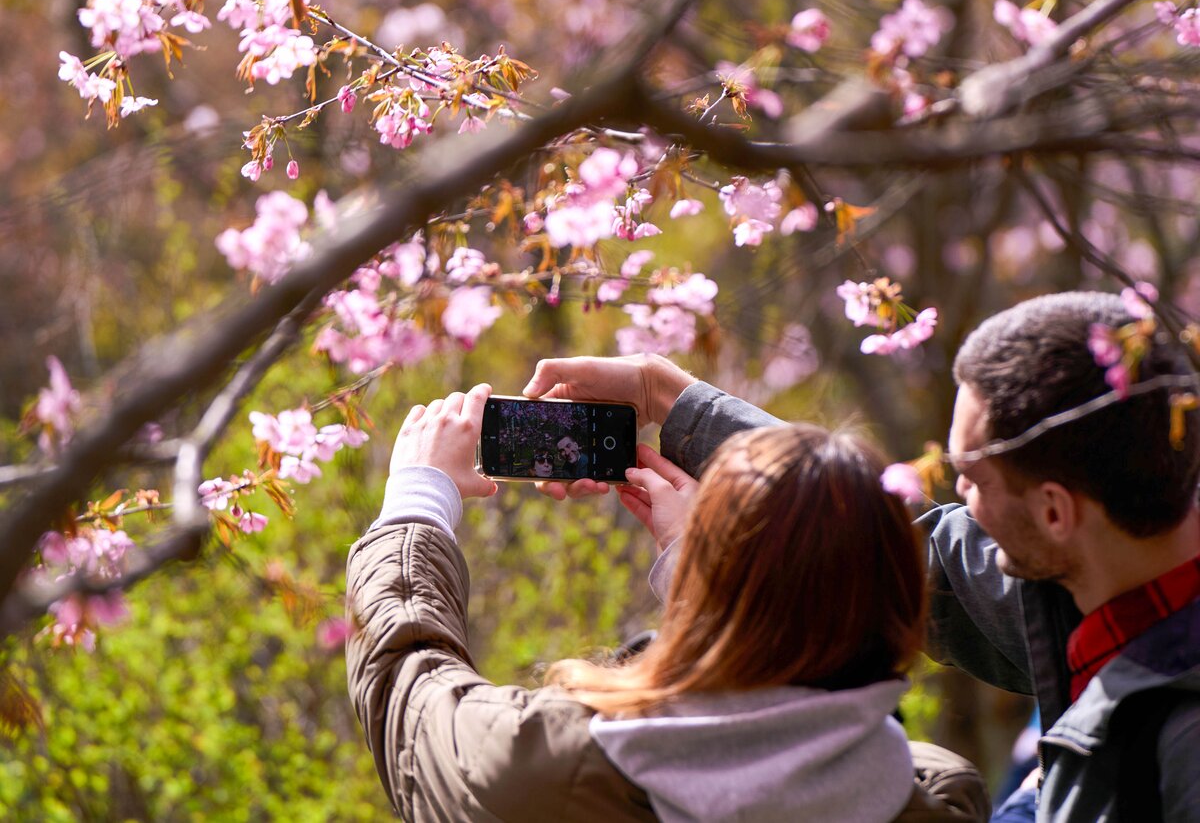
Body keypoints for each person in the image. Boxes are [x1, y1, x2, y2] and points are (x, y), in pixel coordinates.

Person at [524, 291, 1200, 822]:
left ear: (1055, 512)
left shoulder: (1182, 756)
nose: (956, 497)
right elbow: (901, 544)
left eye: (970, 478)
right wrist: (665, 399)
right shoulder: (1110, 570)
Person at [345, 384, 988, 822]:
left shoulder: (555, 769)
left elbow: (410, 692)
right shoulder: (939, 798)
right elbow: (826, 696)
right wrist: (710, 574)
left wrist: (418, 500)